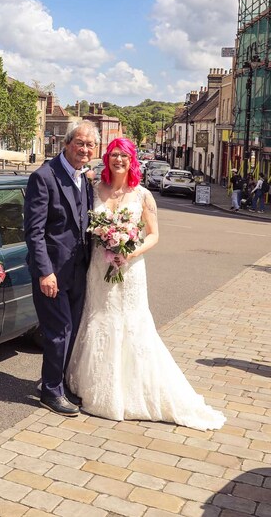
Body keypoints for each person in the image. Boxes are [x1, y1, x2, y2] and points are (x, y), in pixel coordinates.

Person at [67, 138, 225, 431]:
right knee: (98, 318)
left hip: (129, 269)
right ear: (107, 158)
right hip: (99, 267)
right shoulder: (93, 190)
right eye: (113, 154)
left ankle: (129, 392)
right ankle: (94, 387)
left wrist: (129, 251)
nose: (118, 160)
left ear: (132, 160)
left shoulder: (143, 196)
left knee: (131, 324)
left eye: (123, 155)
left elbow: (153, 235)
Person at [24, 120, 96, 417]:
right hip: (52, 272)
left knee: (73, 329)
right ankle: (50, 392)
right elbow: (34, 231)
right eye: (80, 143)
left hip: (79, 269)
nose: (84, 149)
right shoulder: (44, 177)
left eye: (90, 145)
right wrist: (45, 271)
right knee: (59, 331)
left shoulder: (84, 178)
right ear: (66, 144)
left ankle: (57, 383)